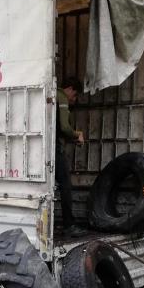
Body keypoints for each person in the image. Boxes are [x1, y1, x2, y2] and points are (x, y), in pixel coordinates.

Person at [56, 77, 85, 236]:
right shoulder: (61, 97)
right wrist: (77, 134)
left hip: (47, 147)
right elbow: (64, 127)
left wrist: (72, 139)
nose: (73, 100)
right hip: (55, 150)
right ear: (71, 89)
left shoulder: (52, 95)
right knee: (66, 186)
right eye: (74, 96)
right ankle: (69, 225)